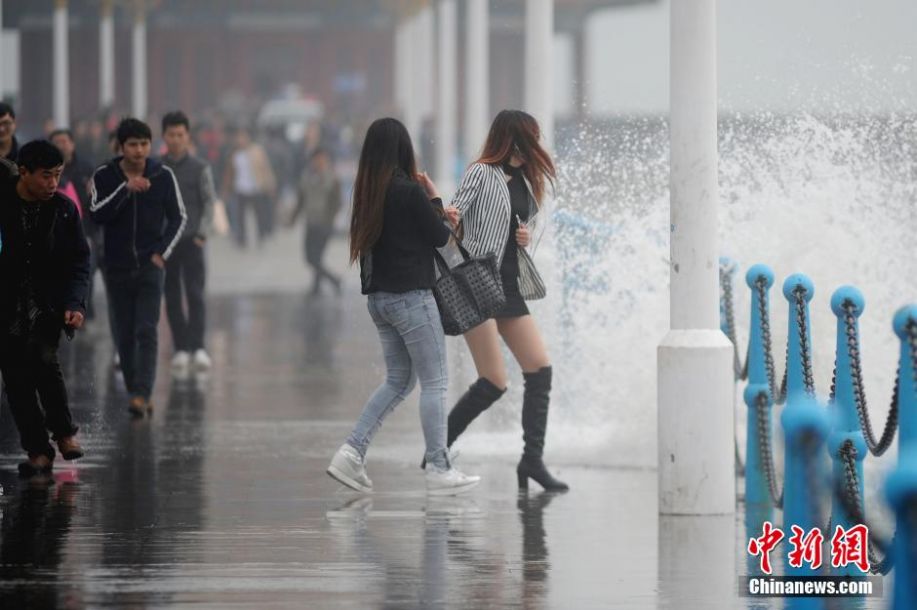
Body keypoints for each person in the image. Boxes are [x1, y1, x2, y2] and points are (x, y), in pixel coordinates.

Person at [326, 117, 480, 496]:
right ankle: (440, 467)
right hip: (411, 298)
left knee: (398, 380)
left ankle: (351, 453)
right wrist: (436, 202)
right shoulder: (409, 191)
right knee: (435, 381)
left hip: (380, 302)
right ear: (403, 148)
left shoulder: (366, 194)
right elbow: (442, 237)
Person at [442, 110, 568, 491]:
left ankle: (531, 461)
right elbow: (456, 212)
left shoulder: (526, 182)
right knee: (495, 381)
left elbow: (518, 222)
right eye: (531, 136)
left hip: (509, 286)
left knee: (539, 369)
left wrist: (525, 236)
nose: (536, 143)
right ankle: (438, 449)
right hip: (478, 281)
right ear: (512, 137)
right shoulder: (481, 171)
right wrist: (447, 218)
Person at [0, 140, 90, 476]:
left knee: (43, 360)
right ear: (23, 173)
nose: (53, 184)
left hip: (46, 304)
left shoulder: (64, 210)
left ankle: (64, 433)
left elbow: (80, 260)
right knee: (16, 379)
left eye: (58, 176)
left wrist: (75, 303)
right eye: (46, 176)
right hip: (6, 305)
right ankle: (38, 449)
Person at [90, 118, 187, 416]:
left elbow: (178, 217)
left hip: (150, 266)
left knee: (147, 329)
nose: (139, 150)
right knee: (124, 333)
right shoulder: (105, 175)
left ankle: (142, 393)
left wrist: (162, 253)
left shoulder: (163, 175)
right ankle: (137, 391)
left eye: (144, 144)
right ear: (121, 147)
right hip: (117, 268)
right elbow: (96, 214)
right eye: (133, 144)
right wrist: (125, 189)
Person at [160, 111, 217, 372]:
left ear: (187, 136)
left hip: (193, 240)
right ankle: (180, 348)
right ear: (164, 136)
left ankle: (198, 347)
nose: (175, 139)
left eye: (180, 135)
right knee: (171, 296)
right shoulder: (157, 169)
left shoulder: (200, 167)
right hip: (167, 243)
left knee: (195, 295)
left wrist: (203, 234)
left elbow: (209, 202)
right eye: (171, 134)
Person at [50, 128, 101, 318]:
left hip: (84, 228)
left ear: (72, 144)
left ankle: (83, 311)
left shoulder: (86, 168)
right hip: (54, 232)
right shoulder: (46, 169)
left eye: (65, 141)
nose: (62, 145)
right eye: (57, 142)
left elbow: (95, 200)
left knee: (87, 270)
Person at [290, 147, 342, 295]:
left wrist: (329, 219)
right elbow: (301, 199)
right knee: (310, 257)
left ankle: (331, 280)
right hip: (310, 222)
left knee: (315, 257)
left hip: (324, 224)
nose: (319, 162)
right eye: (316, 159)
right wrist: (293, 218)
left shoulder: (332, 178)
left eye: (322, 159)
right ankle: (322, 284)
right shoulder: (306, 177)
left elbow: (337, 202)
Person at [221, 127, 276, 248]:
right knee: (240, 217)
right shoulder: (233, 154)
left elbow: (265, 169)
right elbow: (229, 174)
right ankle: (242, 239)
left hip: (256, 188)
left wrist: (270, 184)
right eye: (238, 137)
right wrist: (226, 189)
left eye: (243, 137)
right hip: (240, 189)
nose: (240, 140)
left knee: (259, 215)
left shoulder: (257, 151)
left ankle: (261, 236)